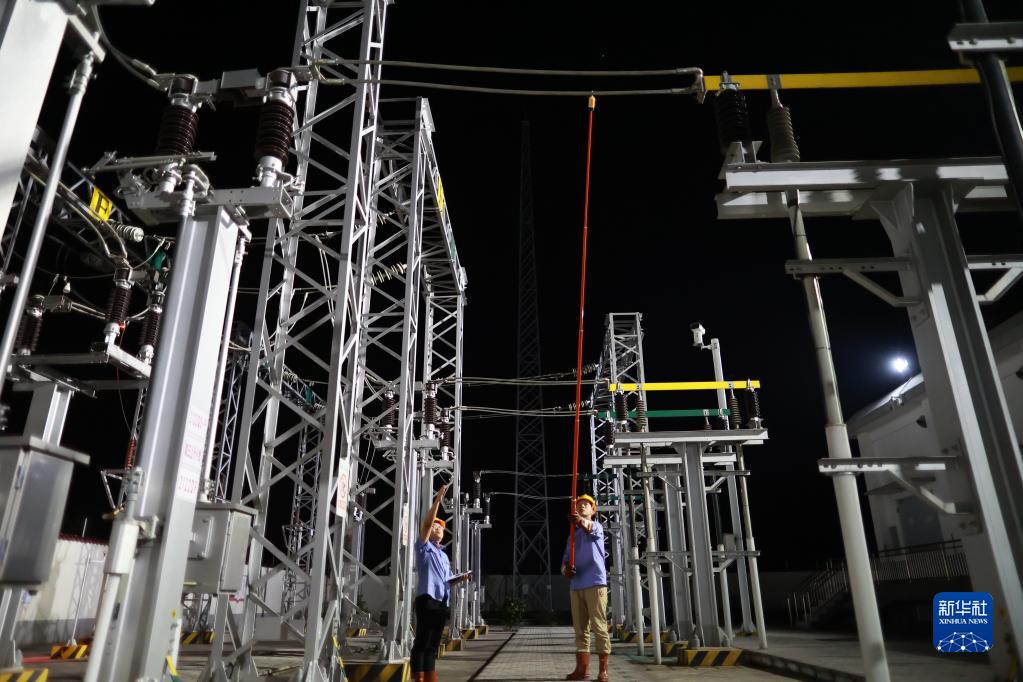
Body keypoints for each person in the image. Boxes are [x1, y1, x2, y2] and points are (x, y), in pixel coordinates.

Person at [411, 483, 470, 682]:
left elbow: (447, 580)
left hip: (442, 602)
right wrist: (438, 500)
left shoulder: (444, 556)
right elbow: (427, 524)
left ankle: (430, 678)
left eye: (441, 527)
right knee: (422, 640)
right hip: (427, 599)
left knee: (433, 645)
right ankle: (418, 678)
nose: (438, 528)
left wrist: (460, 578)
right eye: (435, 526)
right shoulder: (423, 547)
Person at [561, 494, 610, 682]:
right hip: (576, 585)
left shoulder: (596, 526)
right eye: (579, 504)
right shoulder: (572, 536)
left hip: (595, 583)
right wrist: (566, 571)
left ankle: (603, 670)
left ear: (593, 510)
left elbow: (588, 527)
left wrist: (580, 521)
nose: (582, 506)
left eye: (586, 505)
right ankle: (582, 669)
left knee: (599, 627)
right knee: (580, 629)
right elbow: (565, 561)